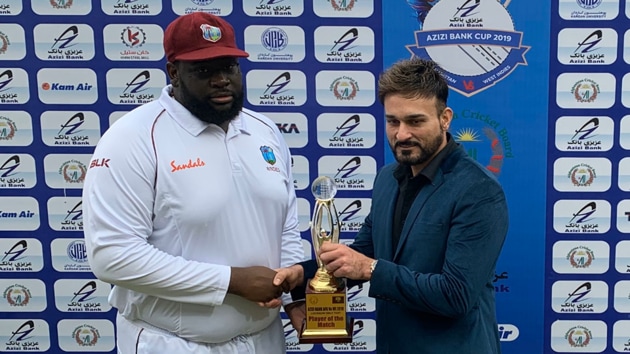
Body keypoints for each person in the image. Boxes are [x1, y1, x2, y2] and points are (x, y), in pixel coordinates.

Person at [82, 12, 306, 354]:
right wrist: (231, 281)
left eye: (229, 67)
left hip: (264, 340)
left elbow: (284, 224)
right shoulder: (132, 138)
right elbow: (112, 256)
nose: (221, 80)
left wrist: (293, 296)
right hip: (174, 343)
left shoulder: (264, 130)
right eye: (204, 70)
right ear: (174, 72)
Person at [273, 58, 509, 354]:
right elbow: (362, 254)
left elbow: (456, 295)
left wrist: (370, 269)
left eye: (415, 121)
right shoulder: (387, 178)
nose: (401, 134)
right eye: (392, 121)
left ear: (445, 118)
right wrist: (304, 272)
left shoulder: (479, 190)